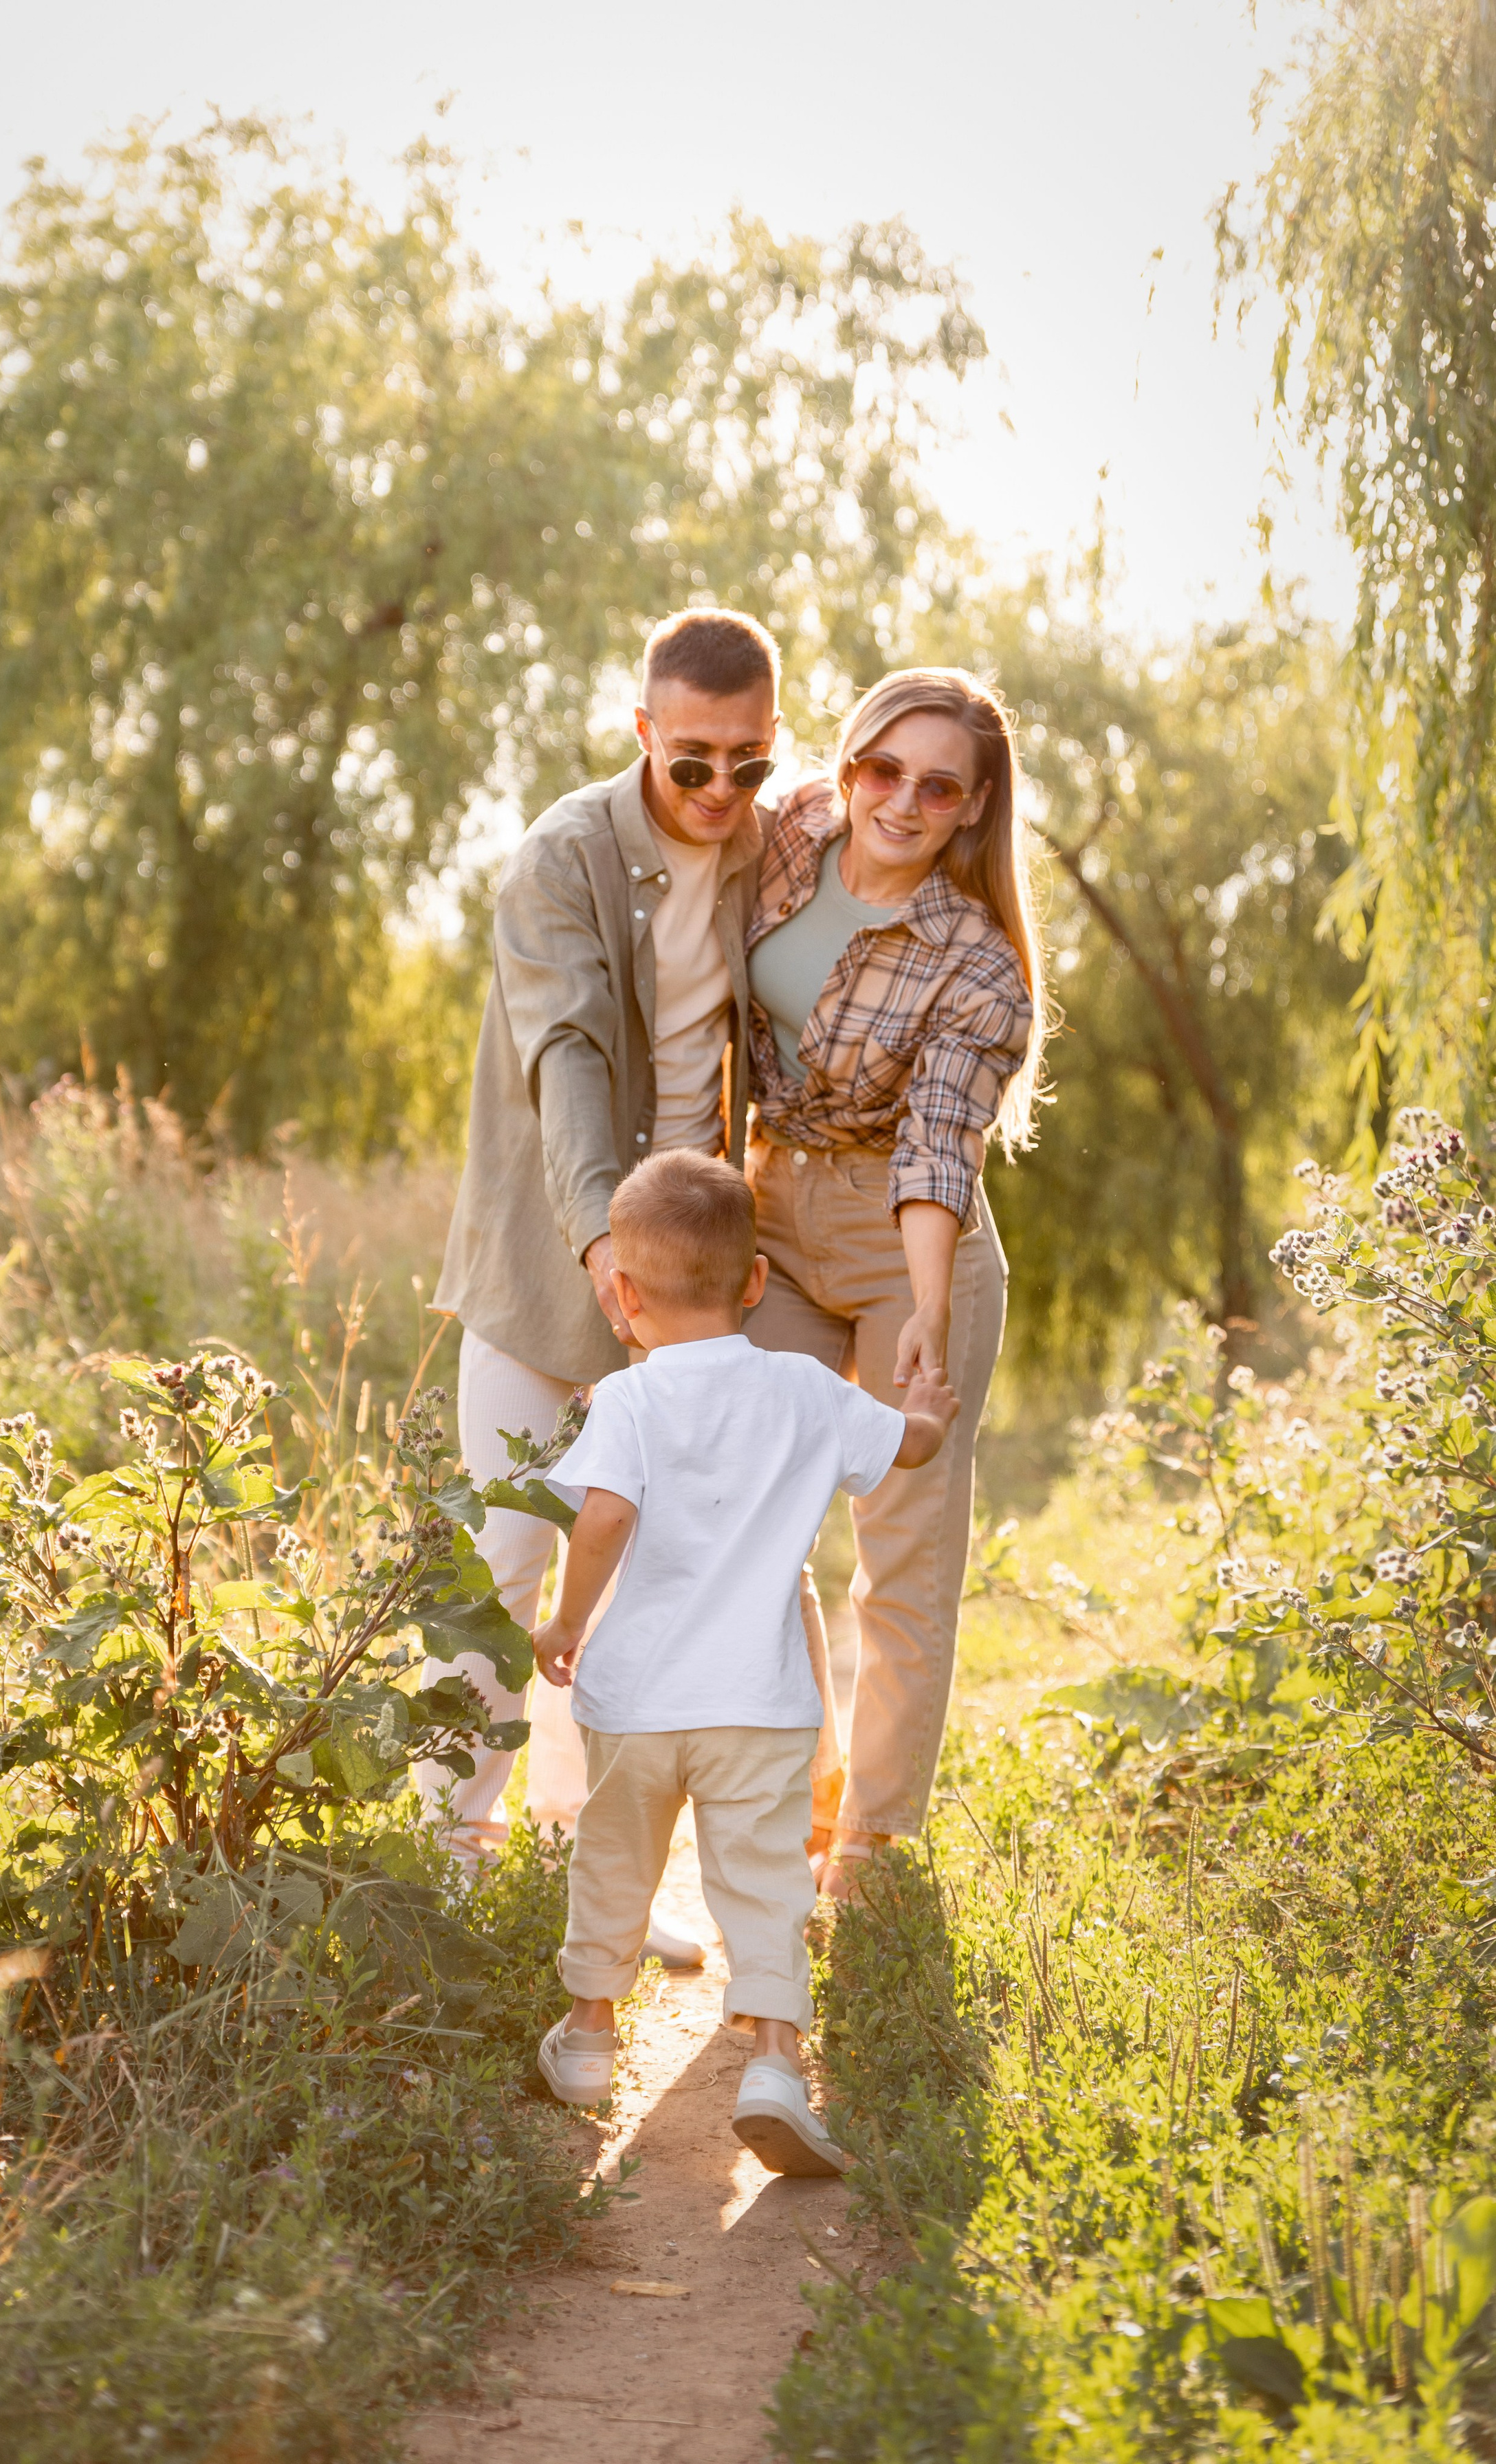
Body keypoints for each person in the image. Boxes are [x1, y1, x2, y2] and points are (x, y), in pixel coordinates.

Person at [426, 608, 789, 1912]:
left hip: (698, 1285)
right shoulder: (562, 856)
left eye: (748, 761)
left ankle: (612, 1889)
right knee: (506, 1568)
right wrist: (600, 1243)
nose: (719, 791)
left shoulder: (772, 849)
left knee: (654, 1591)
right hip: (554, 1260)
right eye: (692, 760)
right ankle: (452, 1867)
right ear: (645, 732)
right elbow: (567, 1059)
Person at [527, 1150, 958, 2172]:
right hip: (760, 1708)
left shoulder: (627, 1401)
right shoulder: (807, 1389)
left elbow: (604, 1518)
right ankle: (773, 2062)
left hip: (634, 1705)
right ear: (757, 1282)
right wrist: (930, 1408)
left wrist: (564, 1623)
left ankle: (589, 2036)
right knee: (765, 1885)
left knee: (614, 1861)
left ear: (622, 1296)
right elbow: (910, 1447)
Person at [742, 667, 1048, 1895]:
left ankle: (872, 1846)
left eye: (937, 787)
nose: (901, 802)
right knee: (754, 1513)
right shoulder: (793, 829)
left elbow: (938, 1144)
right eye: (885, 769)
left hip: (905, 1231)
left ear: (973, 808)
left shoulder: (979, 968)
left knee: (901, 1544)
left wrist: (926, 1305)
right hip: (771, 1207)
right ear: (850, 760)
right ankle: (805, 1785)